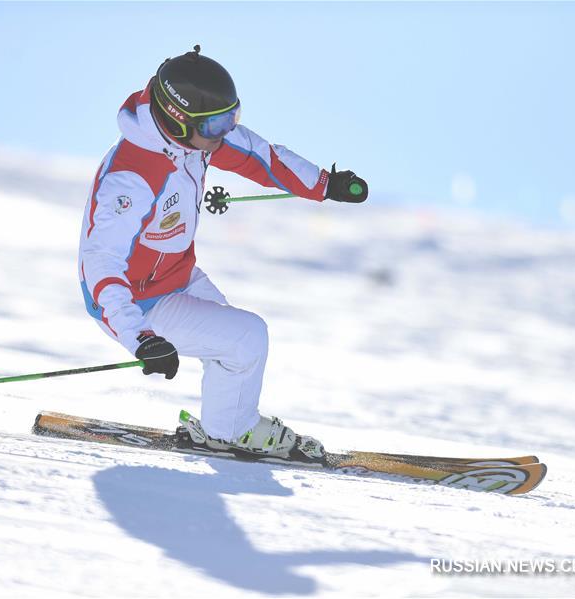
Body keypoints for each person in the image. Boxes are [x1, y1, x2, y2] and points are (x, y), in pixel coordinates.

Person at [77, 45, 367, 459]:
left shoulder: (197, 140)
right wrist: (140, 337)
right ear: (178, 120)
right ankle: (232, 431)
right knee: (246, 337)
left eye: (231, 118)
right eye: (216, 123)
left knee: (235, 347)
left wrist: (323, 184)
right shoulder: (132, 177)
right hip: (135, 302)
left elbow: (259, 156)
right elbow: (100, 262)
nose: (225, 132)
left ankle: (222, 429)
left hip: (174, 276)